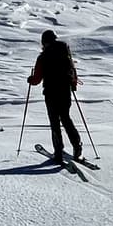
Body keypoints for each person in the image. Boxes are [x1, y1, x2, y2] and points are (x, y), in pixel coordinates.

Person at [27, 28, 82, 165]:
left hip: (51, 94)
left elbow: (37, 79)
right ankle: (77, 146)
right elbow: (72, 70)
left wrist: (30, 79)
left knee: (55, 122)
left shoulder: (43, 57)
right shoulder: (65, 53)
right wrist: (72, 85)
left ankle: (58, 152)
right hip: (65, 92)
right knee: (66, 118)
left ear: (44, 42)